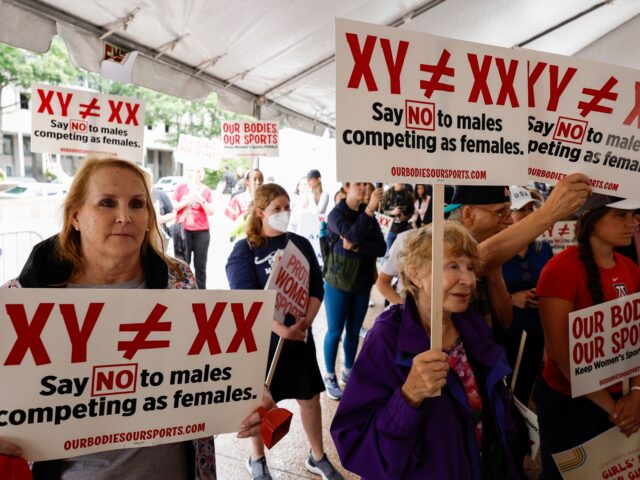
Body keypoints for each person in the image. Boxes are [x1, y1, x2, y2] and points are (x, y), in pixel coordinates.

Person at [0, 157, 268, 480]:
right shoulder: (20, 299)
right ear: (75, 217)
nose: (124, 217)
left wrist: (246, 398)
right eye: (107, 203)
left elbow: (209, 375)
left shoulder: (180, 280)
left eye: (137, 204)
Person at [331, 223, 521, 479]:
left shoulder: (473, 329)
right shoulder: (386, 339)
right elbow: (355, 445)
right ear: (415, 274)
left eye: (471, 267)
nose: (468, 280)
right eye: (453, 265)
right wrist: (409, 396)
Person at [226, 183, 343, 480]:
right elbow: (246, 302)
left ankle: (317, 456)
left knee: (310, 399)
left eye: (287, 206)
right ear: (260, 212)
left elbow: (317, 287)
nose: (284, 213)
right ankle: (257, 459)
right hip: (261, 344)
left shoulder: (300, 244)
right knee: (259, 403)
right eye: (277, 208)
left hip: (299, 339)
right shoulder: (245, 250)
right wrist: (280, 329)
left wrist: (306, 321)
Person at [535, 193, 640, 479]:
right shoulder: (559, 271)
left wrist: (637, 396)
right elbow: (561, 354)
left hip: (626, 403)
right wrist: (616, 410)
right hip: (571, 406)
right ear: (591, 218)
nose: (633, 222)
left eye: (633, 214)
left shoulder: (631, 269)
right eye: (621, 215)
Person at [322, 182, 386, 400]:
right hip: (338, 282)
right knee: (335, 330)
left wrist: (358, 246)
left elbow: (381, 247)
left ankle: (349, 372)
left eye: (366, 185)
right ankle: (329, 375)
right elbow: (350, 236)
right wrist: (368, 213)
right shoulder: (336, 214)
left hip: (361, 282)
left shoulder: (366, 216)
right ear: (346, 187)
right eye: (358, 184)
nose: (364, 188)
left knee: (354, 330)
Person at [502, 186, 552, 405]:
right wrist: (511, 298)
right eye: (521, 209)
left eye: (531, 208)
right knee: (507, 392)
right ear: (507, 215)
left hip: (537, 330)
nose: (528, 214)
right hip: (506, 333)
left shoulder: (544, 248)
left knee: (527, 387)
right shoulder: (496, 251)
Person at [173, 167, 214, 289]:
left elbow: (211, 211)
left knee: (200, 266)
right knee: (182, 265)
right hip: (182, 230)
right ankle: (184, 291)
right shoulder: (181, 188)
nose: (193, 174)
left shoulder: (206, 190)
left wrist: (199, 196)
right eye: (190, 170)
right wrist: (187, 201)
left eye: (196, 171)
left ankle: (200, 293)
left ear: (201, 174)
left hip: (201, 232)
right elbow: (174, 207)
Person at [381, 183, 414, 250]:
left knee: (402, 252)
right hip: (390, 228)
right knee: (387, 253)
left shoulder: (408, 195)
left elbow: (411, 210)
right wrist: (391, 212)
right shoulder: (387, 193)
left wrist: (406, 217)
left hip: (403, 229)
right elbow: (381, 211)